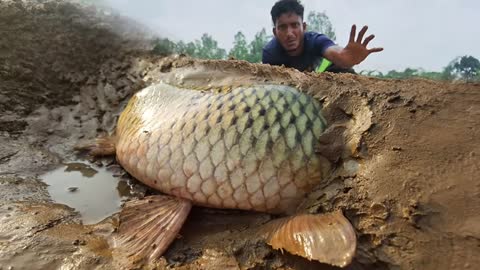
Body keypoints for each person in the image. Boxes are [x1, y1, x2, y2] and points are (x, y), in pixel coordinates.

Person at [262, 0, 383, 73]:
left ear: (304, 27)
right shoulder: (270, 54)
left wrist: (346, 57)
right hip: (290, 89)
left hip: (321, 81)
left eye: (294, 25)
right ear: (275, 32)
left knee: (345, 72)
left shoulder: (315, 41)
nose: (289, 33)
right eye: (282, 27)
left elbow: (335, 52)